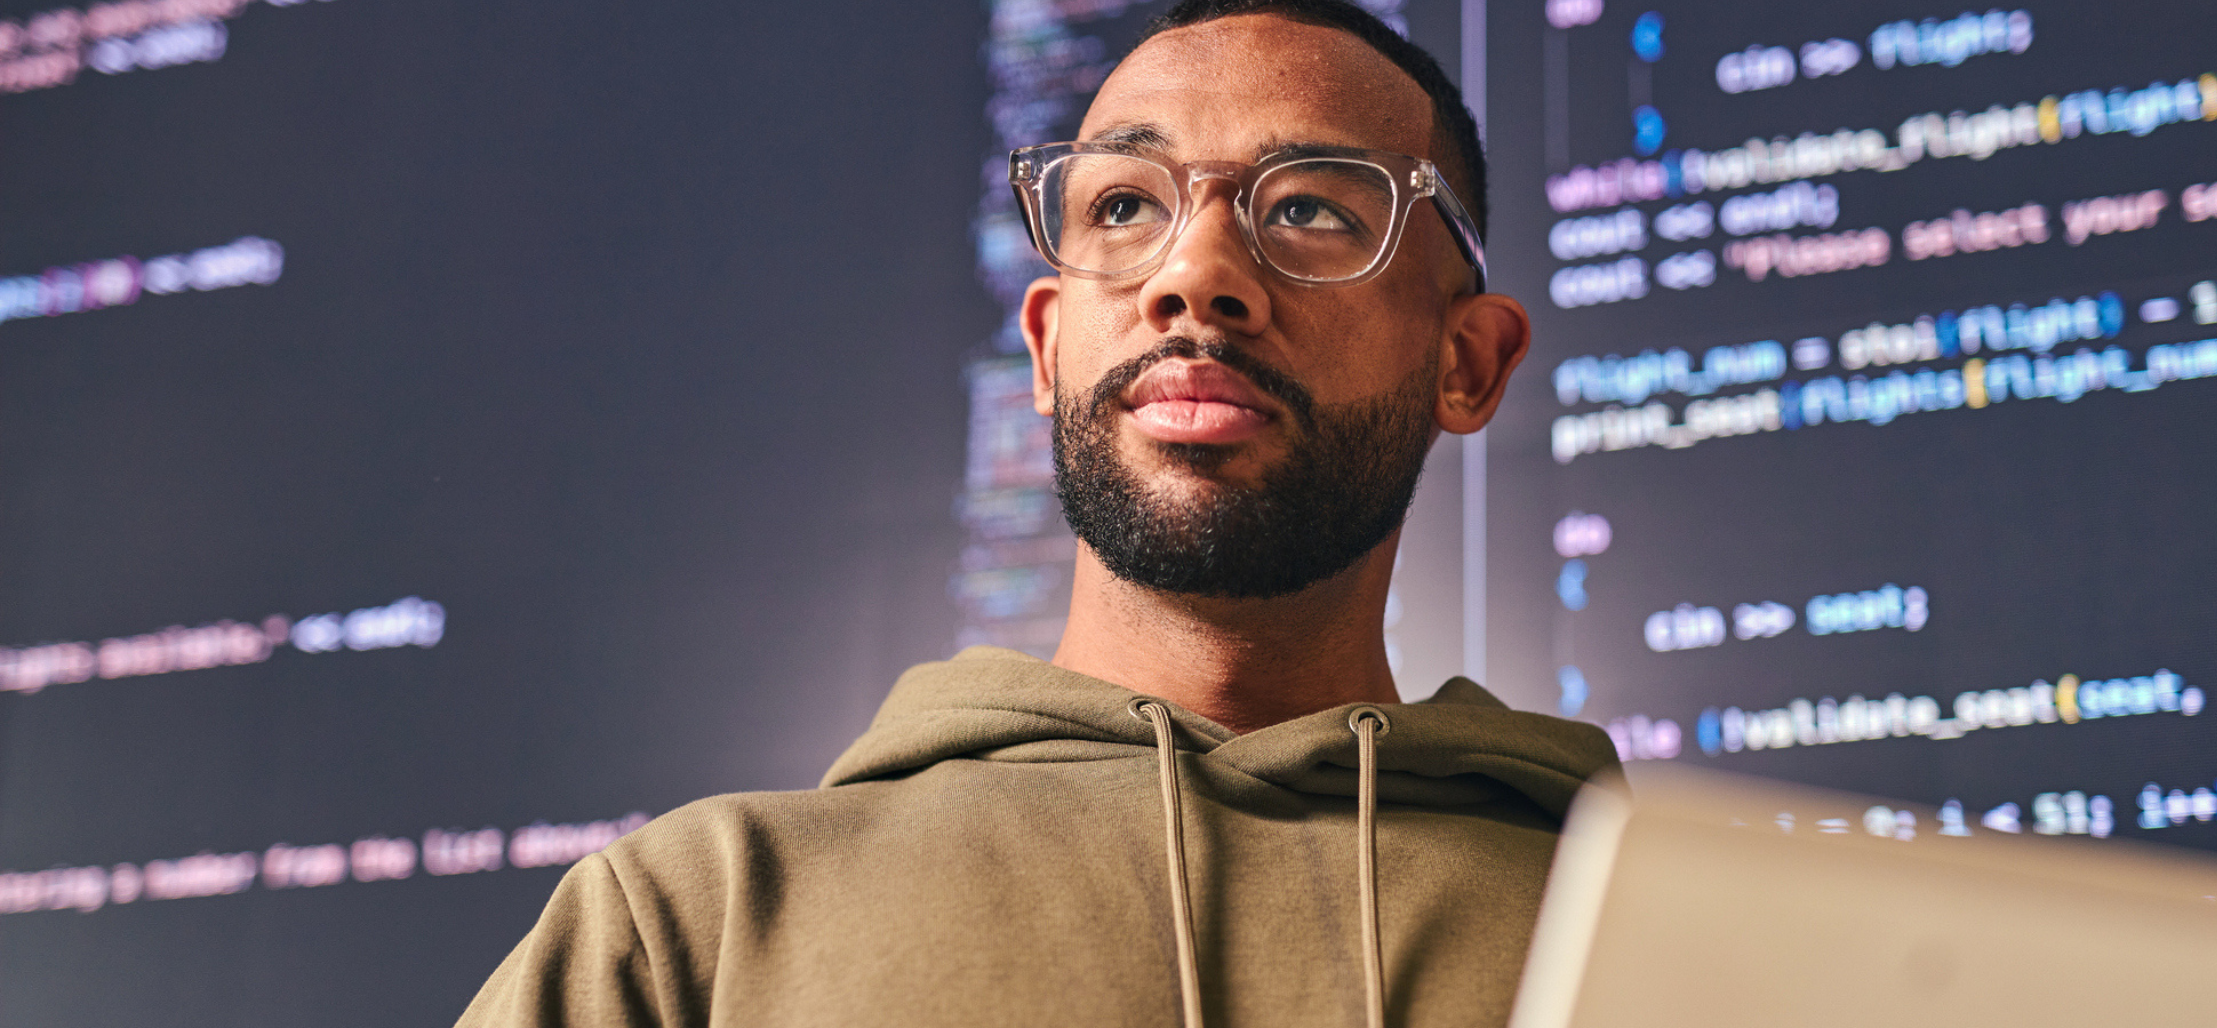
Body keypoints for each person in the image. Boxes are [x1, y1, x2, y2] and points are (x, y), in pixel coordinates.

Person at [454, 2, 1616, 1025]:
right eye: (1122, 202)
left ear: (1469, 361)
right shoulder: (689, 922)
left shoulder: (1647, 927)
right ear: (1052, 348)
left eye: (1310, 207)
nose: (1194, 272)